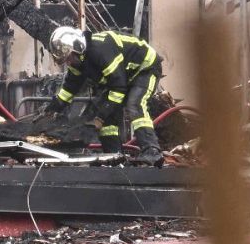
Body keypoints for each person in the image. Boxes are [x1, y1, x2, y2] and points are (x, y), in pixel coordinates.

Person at [45, 26, 164, 165]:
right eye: (65, 60)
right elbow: (71, 86)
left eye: (69, 57)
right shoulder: (78, 61)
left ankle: (152, 151)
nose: (68, 62)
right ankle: (114, 157)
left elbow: (119, 88)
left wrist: (100, 117)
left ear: (78, 47)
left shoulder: (101, 51)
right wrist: (56, 105)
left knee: (134, 105)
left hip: (145, 68)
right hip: (121, 78)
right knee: (106, 117)